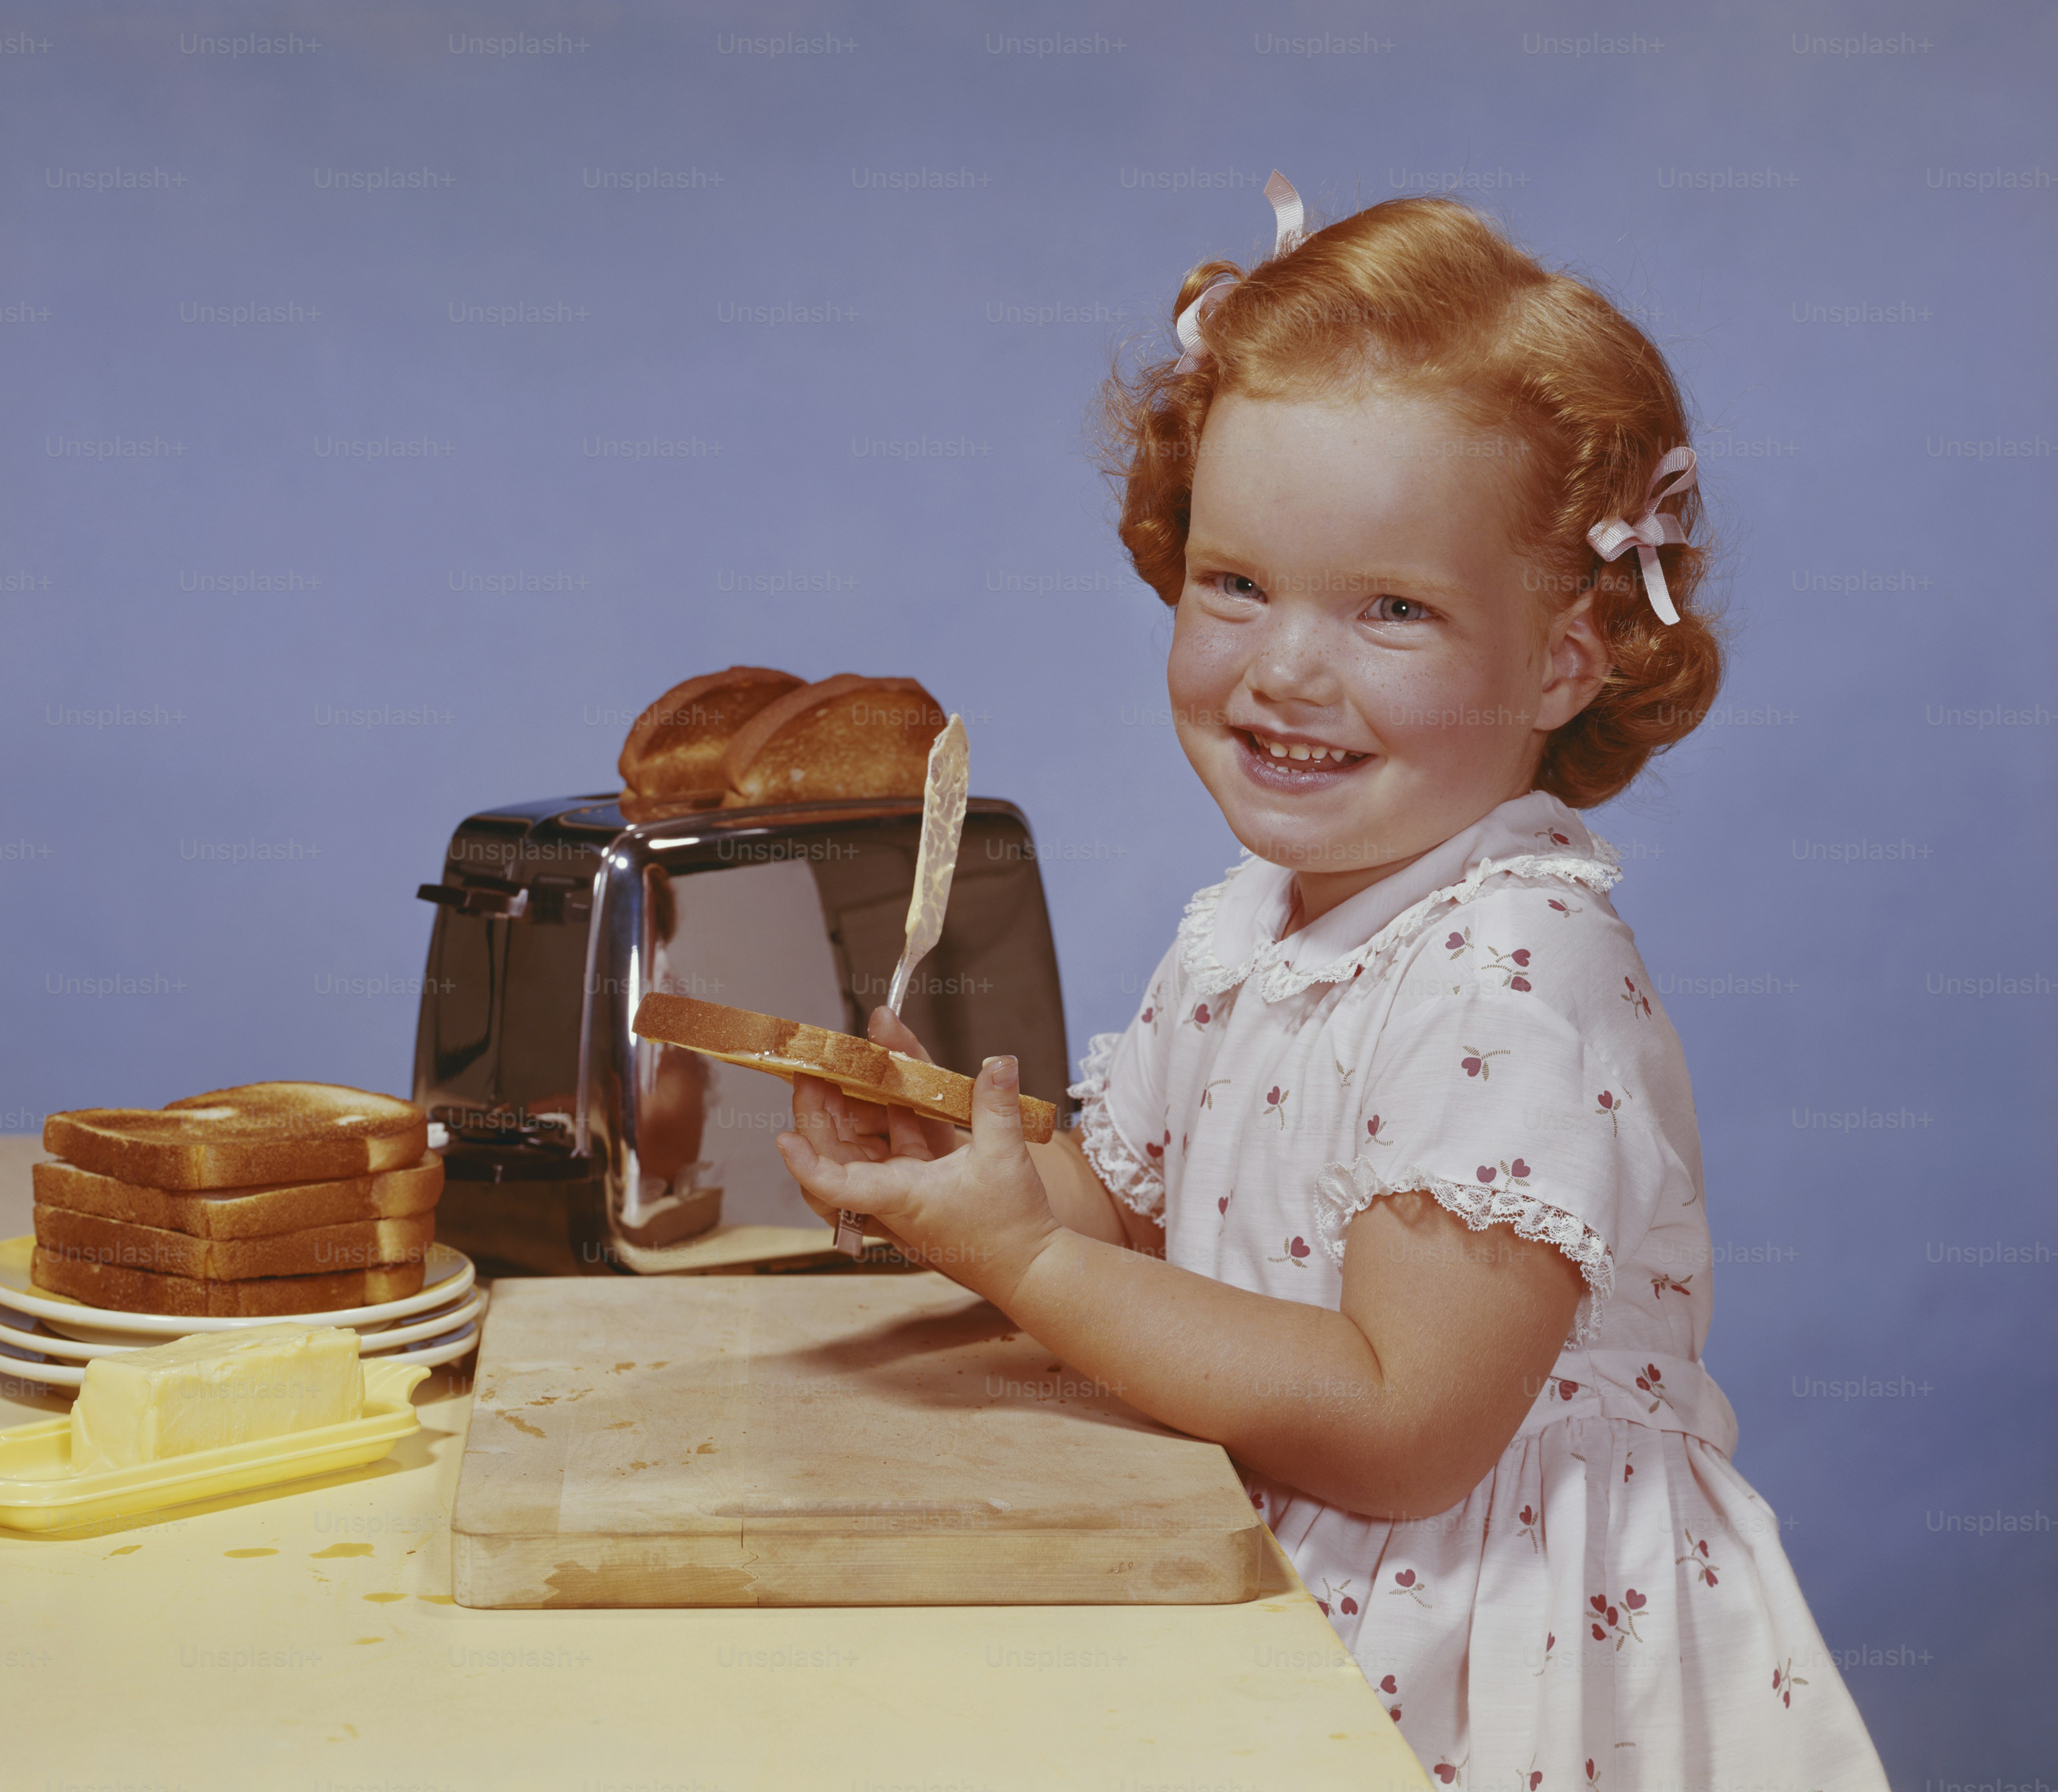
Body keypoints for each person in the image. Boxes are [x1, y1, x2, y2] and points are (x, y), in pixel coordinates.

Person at [776, 175, 1889, 1791]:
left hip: (1495, 1655)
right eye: (1235, 583)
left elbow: (1398, 1425)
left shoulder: (1513, 965)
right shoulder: (1255, 927)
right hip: (1288, 1584)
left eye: (1391, 611)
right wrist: (977, 1187)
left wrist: (1028, 1260)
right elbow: (1152, 1239)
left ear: (1564, 657)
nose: (1286, 668)